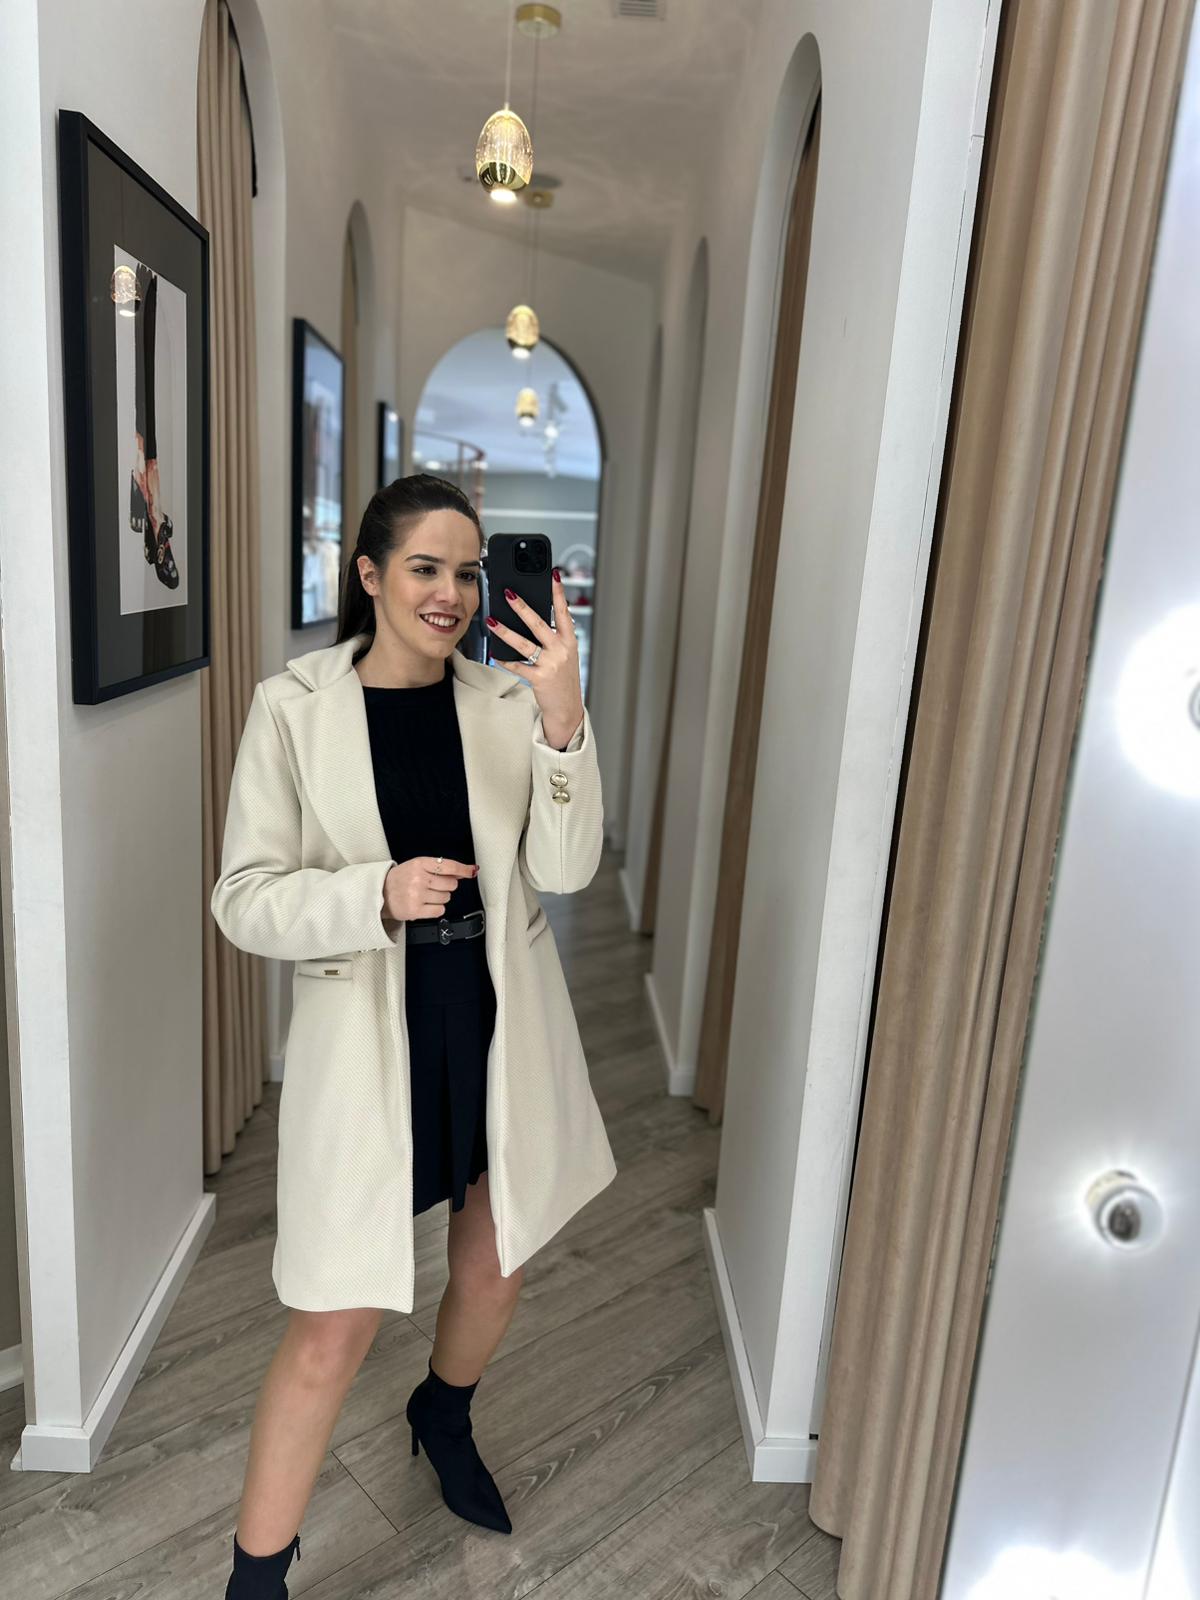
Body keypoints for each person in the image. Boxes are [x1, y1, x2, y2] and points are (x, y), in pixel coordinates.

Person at [211, 473, 616, 1598]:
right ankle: (256, 1576)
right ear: (371, 574)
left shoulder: (505, 703)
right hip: (368, 1032)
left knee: (496, 1261)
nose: (451, 593)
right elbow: (243, 899)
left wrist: (564, 715)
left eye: (468, 572)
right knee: (331, 1325)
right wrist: (373, 894)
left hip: (493, 1015)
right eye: (425, 567)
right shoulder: (291, 707)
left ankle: (443, 1410)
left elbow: (568, 870)